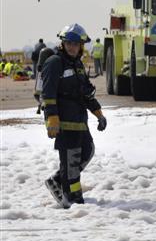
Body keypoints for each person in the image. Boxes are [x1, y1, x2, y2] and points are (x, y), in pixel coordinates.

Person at [41, 23, 107, 208]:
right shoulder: (55, 63)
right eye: (68, 43)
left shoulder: (77, 64)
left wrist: (98, 113)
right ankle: (74, 201)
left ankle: (57, 181)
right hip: (64, 123)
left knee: (88, 151)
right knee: (71, 163)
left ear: (81, 46)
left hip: (80, 121)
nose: (72, 46)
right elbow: (48, 94)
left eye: (75, 44)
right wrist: (52, 118)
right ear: (63, 43)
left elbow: (85, 93)